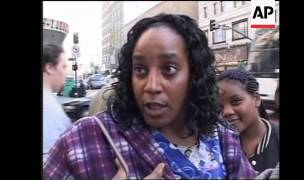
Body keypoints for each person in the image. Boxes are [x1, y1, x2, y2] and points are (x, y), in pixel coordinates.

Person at [43, 14, 256, 179]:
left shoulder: (223, 137)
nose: (151, 86)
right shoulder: (85, 139)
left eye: (169, 69)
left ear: (195, 75)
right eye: (141, 70)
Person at [217, 68, 279, 173]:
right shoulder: (215, 143)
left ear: (256, 99)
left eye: (236, 101)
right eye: (219, 106)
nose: (226, 112)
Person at [42, 44, 72, 162]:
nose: (66, 73)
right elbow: (50, 160)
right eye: (63, 67)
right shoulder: (47, 106)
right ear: (50, 68)